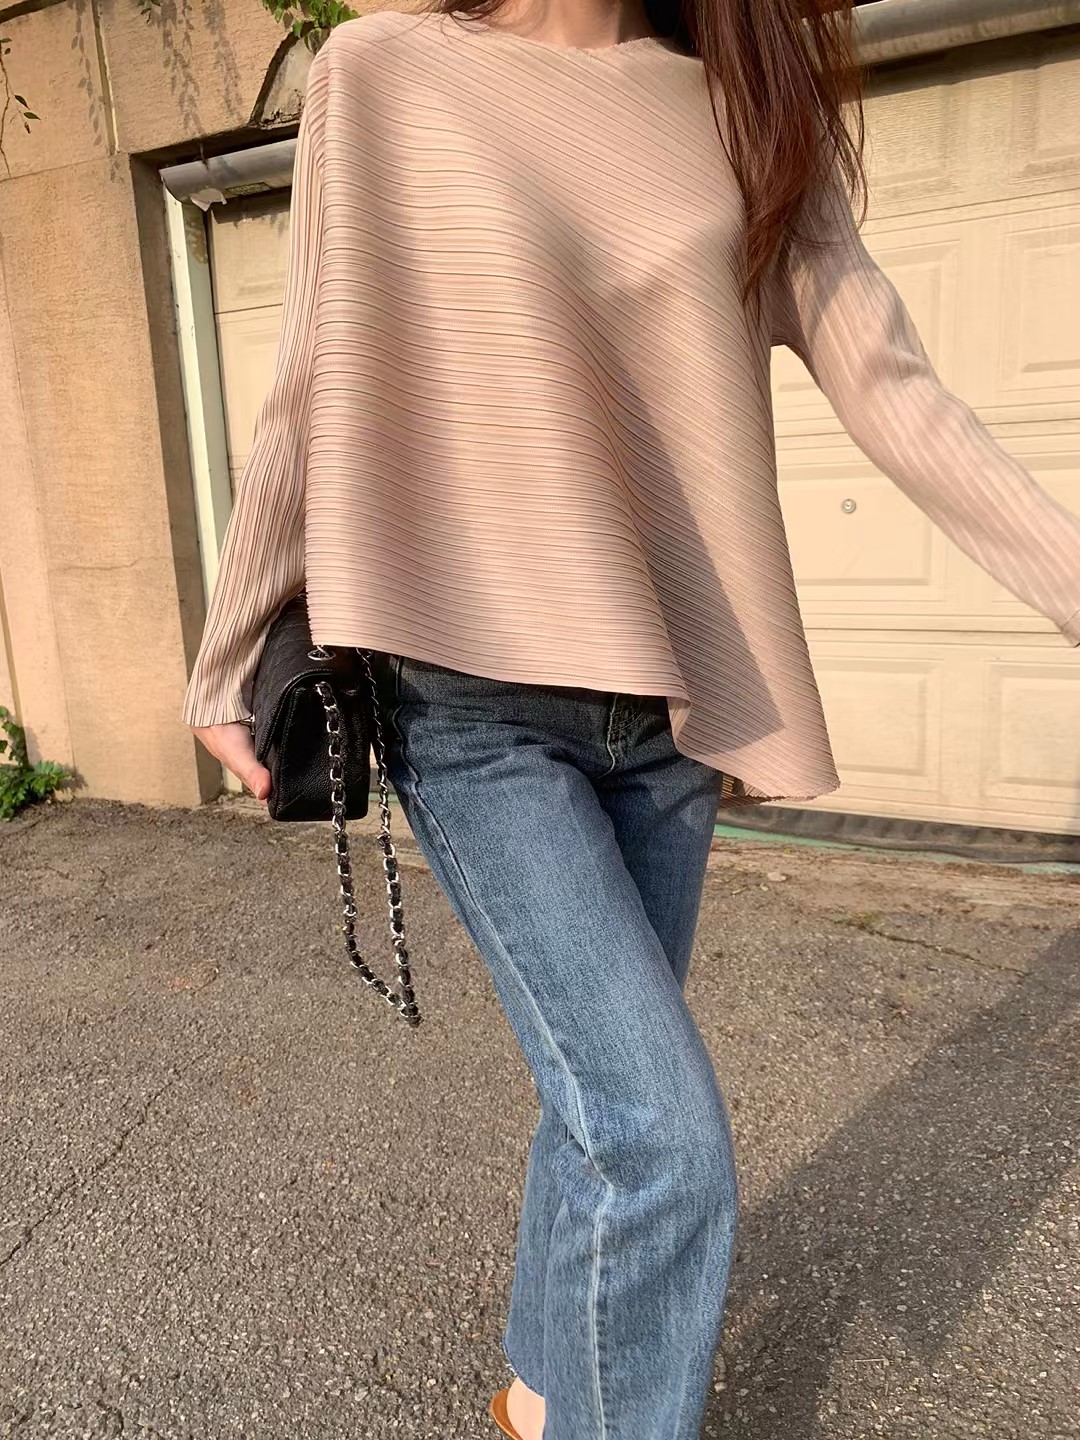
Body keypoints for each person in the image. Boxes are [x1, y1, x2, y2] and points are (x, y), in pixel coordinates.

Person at [181, 2, 1080, 1436]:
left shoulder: (744, 108)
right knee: (661, 1139)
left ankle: (546, 1389)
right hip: (468, 703)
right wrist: (231, 643)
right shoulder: (388, 70)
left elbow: (896, 388)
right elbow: (312, 376)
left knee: (604, 1107)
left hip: (669, 712)